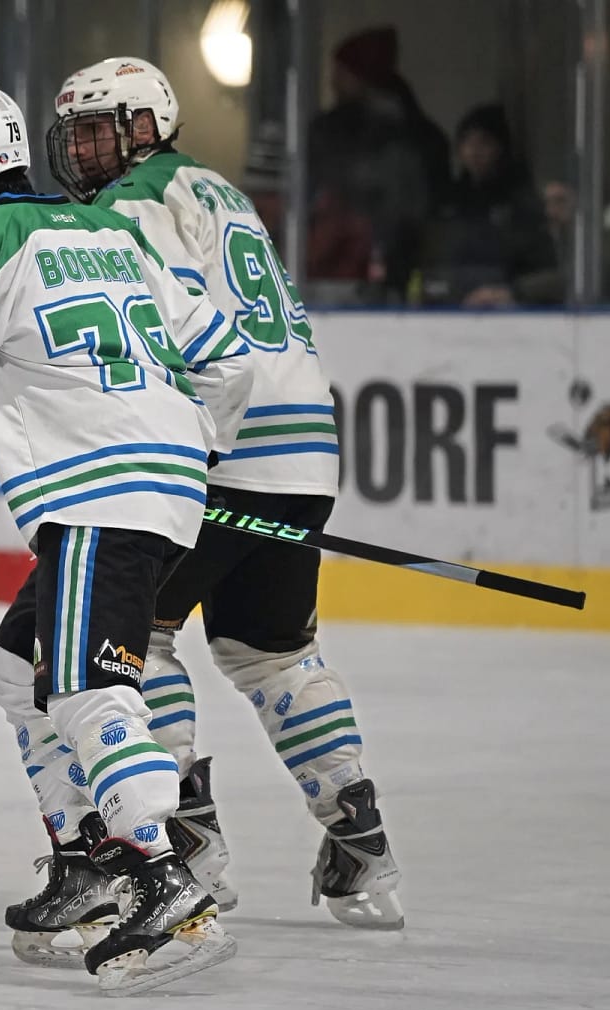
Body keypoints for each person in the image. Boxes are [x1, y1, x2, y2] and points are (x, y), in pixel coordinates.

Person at [0, 84, 255, 994]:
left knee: (84, 690)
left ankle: (164, 879)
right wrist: (185, 447)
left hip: (93, 497)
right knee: (18, 666)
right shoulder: (114, 230)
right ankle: (86, 857)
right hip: (160, 492)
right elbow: (228, 358)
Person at [44, 57, 405, 933]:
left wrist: (163, 442)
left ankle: (185, 837)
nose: (81, 151)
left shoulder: (134, 201)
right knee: (270, 651)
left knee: (134, 636)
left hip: (228, 442)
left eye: (96, 131)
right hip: (304, 448)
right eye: (74, 135)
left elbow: (174, 325)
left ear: (144, 127)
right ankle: (360, 840)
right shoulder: (218, 191)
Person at [304, 25, 450, 302]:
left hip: (388, 264)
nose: (333, 81)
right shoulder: (420, 134)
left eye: (341, 73)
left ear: (362, 76)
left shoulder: (409, 139)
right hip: (343, 265)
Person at [416, 104, 561, 307]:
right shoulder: (446, 200)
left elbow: (541, 264)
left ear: (500, 147)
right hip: (449, 301)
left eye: (484, 142)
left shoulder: (521, 200)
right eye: (467, 142)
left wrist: (515, 291)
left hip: (508, 303)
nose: (474, 151)